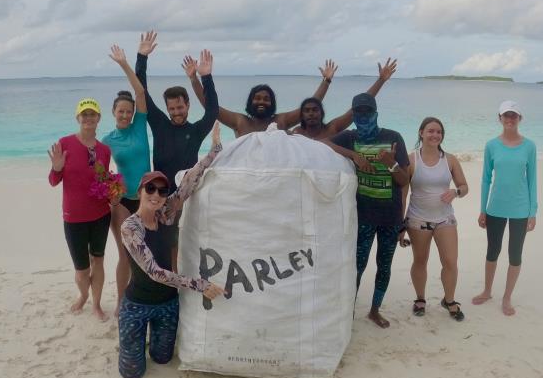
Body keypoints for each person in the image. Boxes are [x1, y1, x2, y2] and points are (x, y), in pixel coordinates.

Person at [118, 123, 225, 378]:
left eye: (162, 190)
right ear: (140, 192)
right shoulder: (130, 227)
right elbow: (155, 272)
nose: (156, 194)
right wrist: (199, 284)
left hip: (166, 304)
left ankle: (146, 342)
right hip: (137, 305)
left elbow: (189, 181)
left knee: (163, 358)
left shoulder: (165, 215)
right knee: (132, 374)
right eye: (150, 189)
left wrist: (215, 150)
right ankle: (132, 343)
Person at [135, 31, 219, 270]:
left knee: (182, 246)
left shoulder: (195, 131)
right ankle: (167, 284)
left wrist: (206, 77)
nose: (176, 112)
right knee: (157, 245)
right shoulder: (160, 124)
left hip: (186, 198)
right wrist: (142, 58)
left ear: (187, 104)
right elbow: (142, 92)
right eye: (171, 108)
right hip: (157, 196)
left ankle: (180, 284)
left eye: (179, 107)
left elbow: (212, 111)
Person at [329, 93, 409, 328]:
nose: (363, 116)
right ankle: (348, 310)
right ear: (353, 115)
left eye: (367, 111)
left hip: (390, 218)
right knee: (357, 266)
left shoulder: (393, 137)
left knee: (384, 265)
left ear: (376, 113)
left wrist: (390, 163)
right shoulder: (350, 137)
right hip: (363, 217)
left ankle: (374, 311)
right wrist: (353, 154)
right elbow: (323, 143)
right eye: (359, 112)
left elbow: (404, 180)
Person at [48, 98, 115, 321]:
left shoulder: (104, 150)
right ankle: (84, 294)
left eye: (92, 114)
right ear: (78, 118)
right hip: (74, 216)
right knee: (81, 270)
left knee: (99, 261)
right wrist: (56, 169)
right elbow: (53, 181)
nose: (88, 118)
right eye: (84, 114)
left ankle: (96, 304)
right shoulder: (65, 143)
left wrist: (114, 190)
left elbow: (104, 179)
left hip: (100, 214)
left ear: (98, 118)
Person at [399, 117, 468, 321]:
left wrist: (455, 192)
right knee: (420, 260)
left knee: (450, 262)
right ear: (421, 133)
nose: (435, 135)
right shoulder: (411, 160)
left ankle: (449, 300)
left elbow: (464, 187)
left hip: (445, 218)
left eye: (439, 132)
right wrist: (400, 224)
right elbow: (403, 194)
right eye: (430, 131)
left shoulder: (451, 160)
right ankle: (420, 299)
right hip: (417, 219)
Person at [472, 100, 537, 316]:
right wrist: (483, 209)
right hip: (495, 207)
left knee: (515, 254)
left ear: (520, 119)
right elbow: (485, 179)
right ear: (499, 118)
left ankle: (507, 297)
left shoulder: (529, 147)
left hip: (520, 208)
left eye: (514, 116)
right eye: (506, 115)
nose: (510, 119)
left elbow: (532, 181)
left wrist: (532, 212)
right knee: (493, 251)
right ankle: (487, 291)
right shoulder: (491, 145)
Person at [102, 44, 151, 316]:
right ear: (113, 112)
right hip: (122, 204)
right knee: (124, 255)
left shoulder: (140, 126)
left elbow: (141, 92)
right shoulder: (108, 140)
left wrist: (124, 64)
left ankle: (142, 295)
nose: (125, 115)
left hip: (146, 200)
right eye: (120, 111)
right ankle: (122, 302)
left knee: (144, 254)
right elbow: (98, 171)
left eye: (128, 111)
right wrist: (111, 191)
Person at [182, 56, 338, 137]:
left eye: (266, 99)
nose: (261, 102)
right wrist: (194, 79)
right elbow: (210, 107)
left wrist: (326, 81)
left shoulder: (281, 121)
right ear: (250, 102)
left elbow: (311, 105)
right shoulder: (240, 121)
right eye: (257, 98)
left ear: (272, 103)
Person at [292, 59, 397, 140]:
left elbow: (358, 106)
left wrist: (381, 80)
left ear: (321, 113)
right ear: (302, 115)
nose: (311, 113)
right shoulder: (297, 133)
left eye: (315, 110)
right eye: (306, 111)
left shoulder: (332, 129)